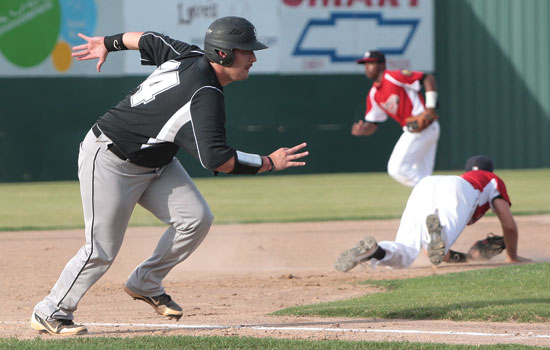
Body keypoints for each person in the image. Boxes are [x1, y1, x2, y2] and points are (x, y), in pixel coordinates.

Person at [31, 16, 308, 336]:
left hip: (155, 163)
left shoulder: (188, 55)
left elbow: (147, 39)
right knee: (101, 249)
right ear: (223, 54)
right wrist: (268, 162)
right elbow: (218, 159)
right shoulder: (204, 95)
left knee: (196, 218)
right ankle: (50, 310)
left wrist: (107, 43)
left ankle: (145, 281)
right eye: (246, 51)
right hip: (110, 158)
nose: (253, 58)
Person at [335, 155, 530, 272]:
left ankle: (375, 250)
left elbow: (434, 254)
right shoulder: (492, 179)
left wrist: (468, 258)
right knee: (438, 243)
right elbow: (509, 224)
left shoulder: (464, 176)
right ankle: (437, 235)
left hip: (425, 185)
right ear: (490, 170)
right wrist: (512, 256)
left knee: (405, 253)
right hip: (460, 189)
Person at [351, 50, 440, 187]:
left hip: (422, 127)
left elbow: (428, 78)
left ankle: (435, 191)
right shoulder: (374, 94)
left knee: (397, 168)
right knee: (422, 174)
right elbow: (373, 123)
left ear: (381, 65)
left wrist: (430, 108)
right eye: (365, 64)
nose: (367, 67)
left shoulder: (393, 76)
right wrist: (363, 130)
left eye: (370, 63)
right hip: (419, 129)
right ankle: (434, 204)